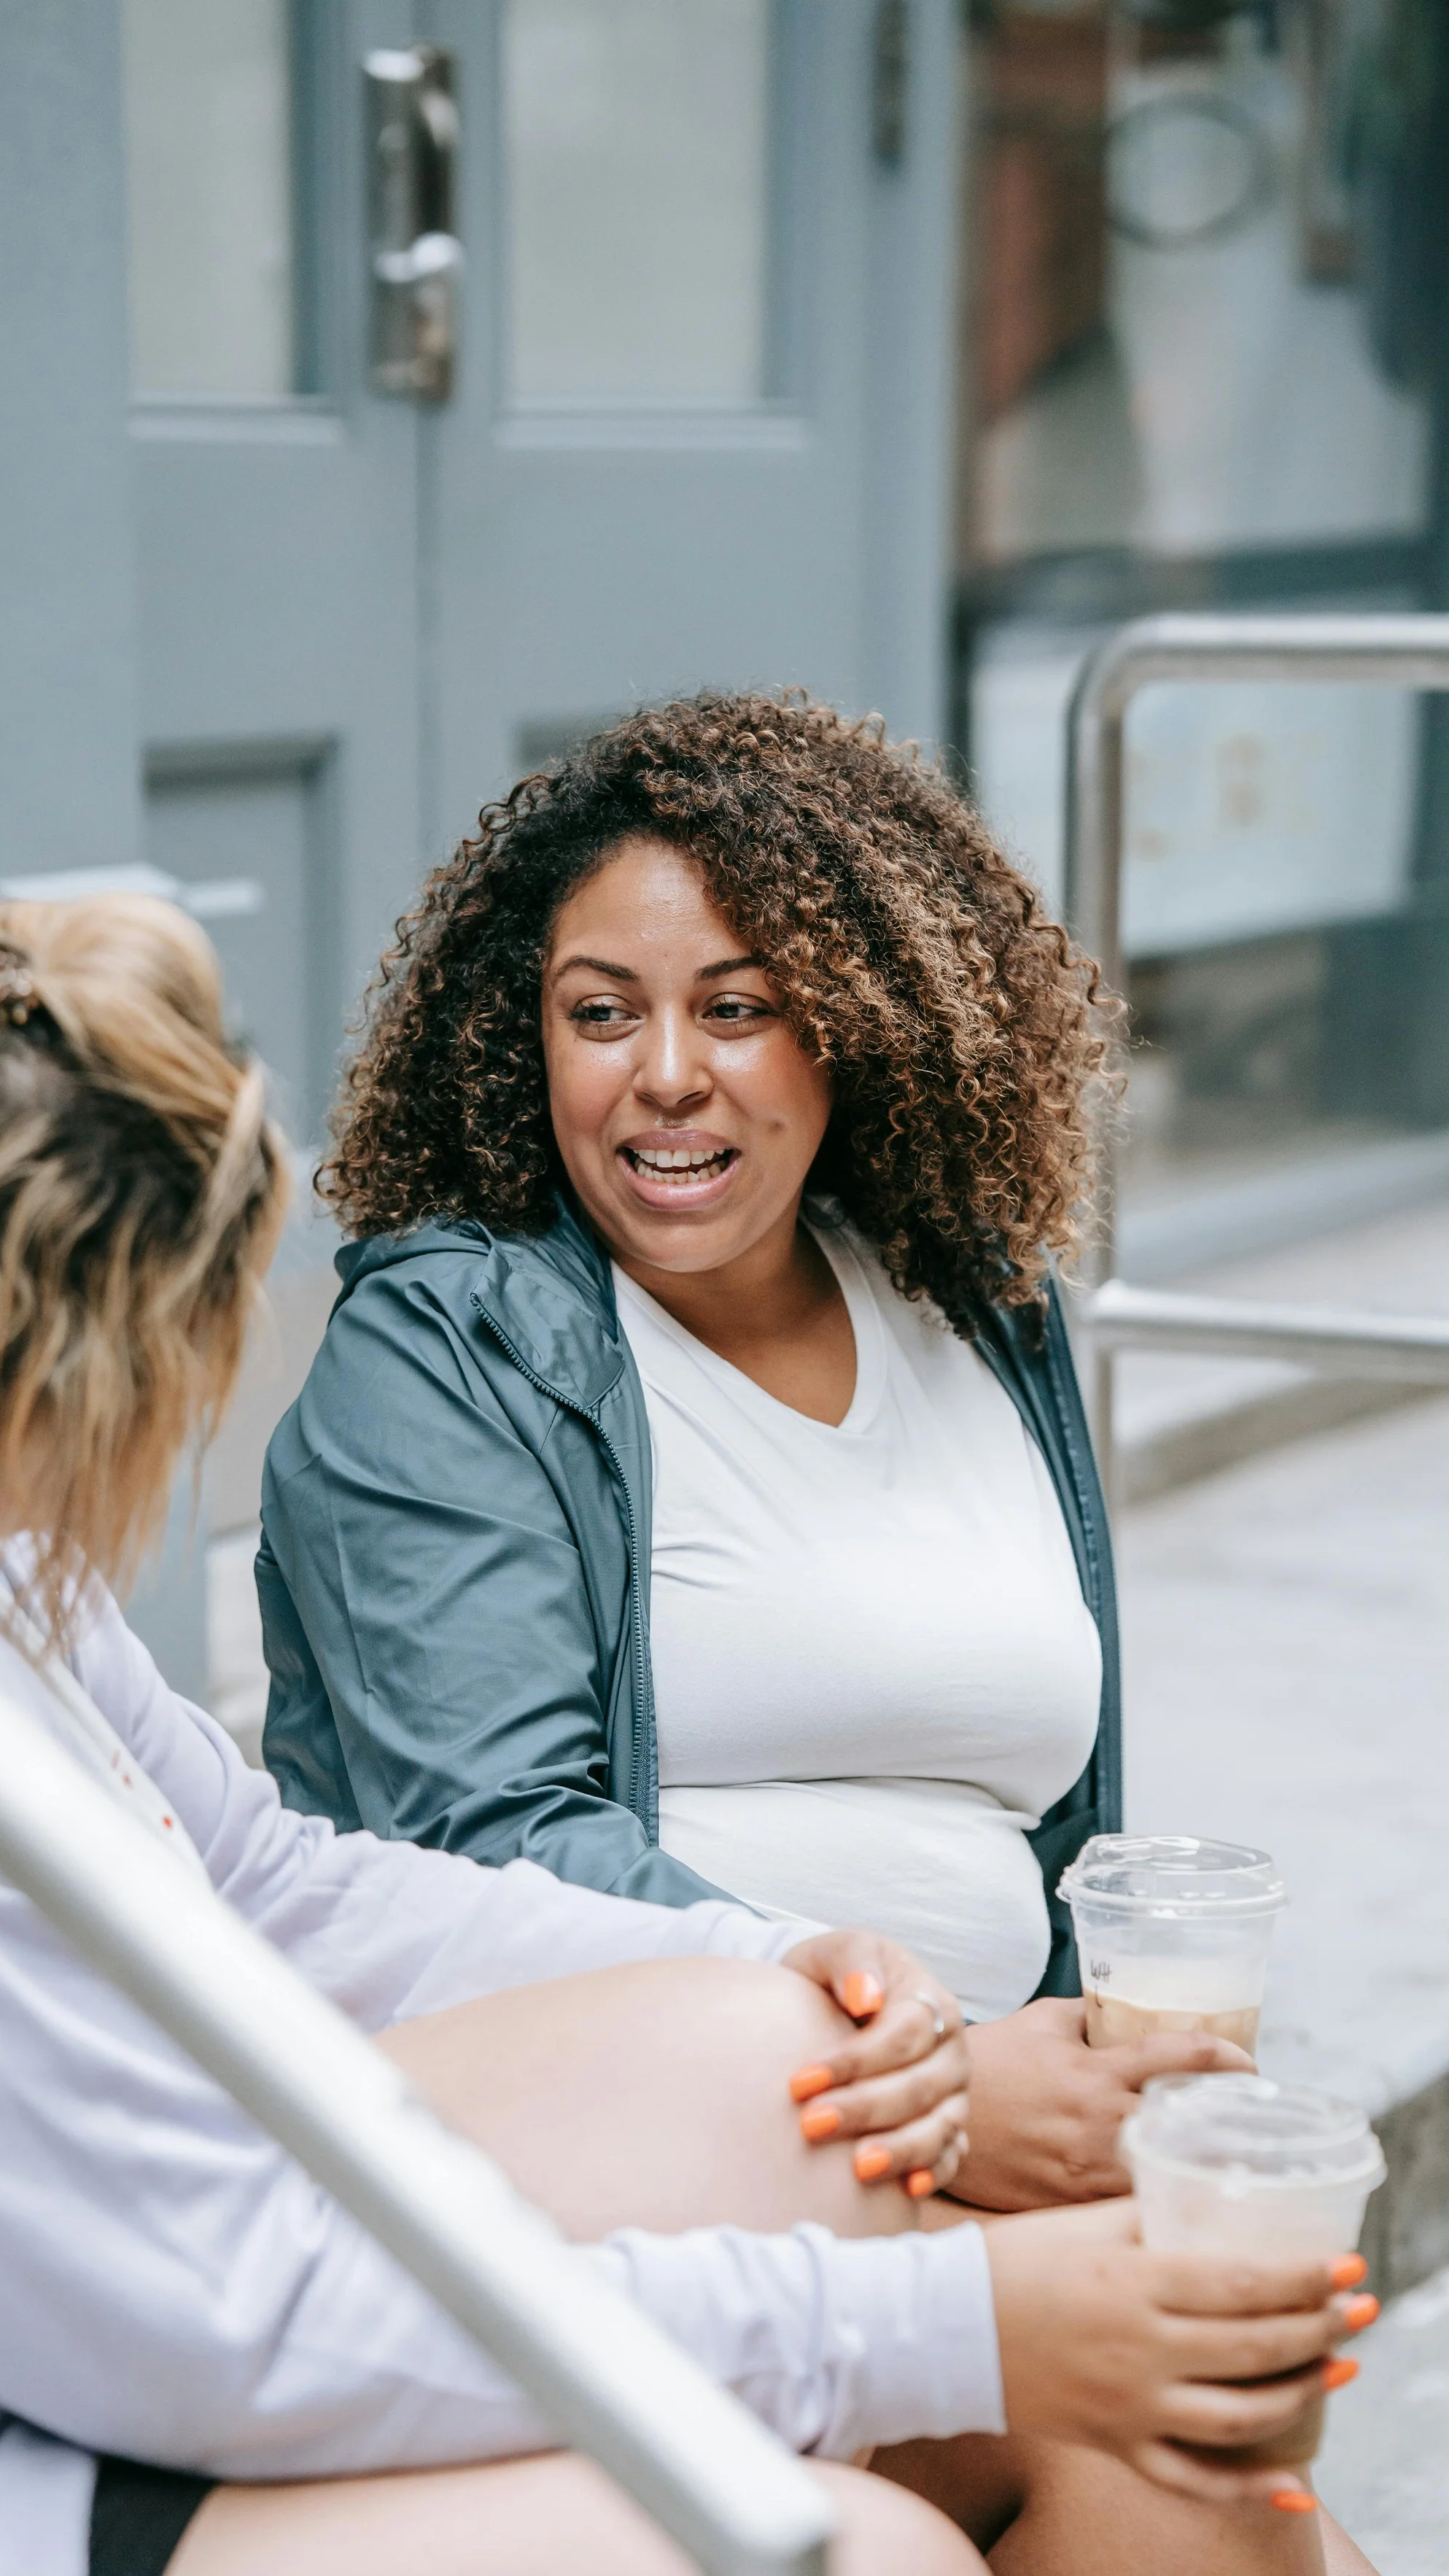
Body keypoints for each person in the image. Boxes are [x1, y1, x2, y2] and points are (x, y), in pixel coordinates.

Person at [0, 893, 1432, 2576]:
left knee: (805, 2079)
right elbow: (216, 2321)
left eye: (740, 1007)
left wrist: (790, 1961)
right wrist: (961, 2311)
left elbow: (258, 1882)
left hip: (93, 2331)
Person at [256, 693, 1213, 2213]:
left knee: (1234, 2309)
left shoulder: (966, 1306)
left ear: (857, 1021)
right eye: (599, 1012)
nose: (665, 1073)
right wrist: (949, 2075)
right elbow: (482, 1843)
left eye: (736, 1006)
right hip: (626, 2121)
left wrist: (1073, 2054)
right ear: (526, 1044)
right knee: (1159, 2383)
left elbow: (1053, 1827)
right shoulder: (449, 1349)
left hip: (965, 2122)